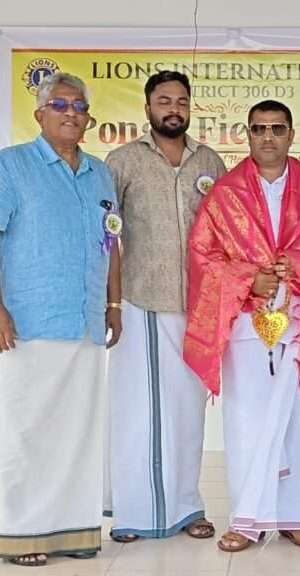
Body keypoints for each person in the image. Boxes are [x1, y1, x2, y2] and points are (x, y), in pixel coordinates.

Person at [0, 72, 121, 567]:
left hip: (85, 322)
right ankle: (15, 533)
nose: (71, 113)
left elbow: (112, 242)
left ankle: (71, 530)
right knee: (23, 431)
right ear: (39, 114)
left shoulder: (99, 174)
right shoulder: (10, 166)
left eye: (79, 106)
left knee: (76, 434)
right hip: (26, 323)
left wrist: (113, 305)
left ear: (89, 118)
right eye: (60, 104)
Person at [183, 100, 300, 553]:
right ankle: (246, 520)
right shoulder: (225, 194)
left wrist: (298, 264)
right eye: (259, 129)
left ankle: (296, 518)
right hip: (244, 321)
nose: (268, 137)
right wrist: (247, 279)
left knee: (297, 418)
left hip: (296, 323)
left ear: (292, 135)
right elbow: (203, 256)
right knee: (246, 418)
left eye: (277, 128)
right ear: (248, 135)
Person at [104, 70, 227, 543]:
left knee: (187, 413)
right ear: (147, 108)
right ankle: (134, 512)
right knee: (139, 411)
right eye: (164, 101)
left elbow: (227, 232)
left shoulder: (209, 161)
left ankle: (186, 507)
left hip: (198, 307)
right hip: (142, 301)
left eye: (181, 101)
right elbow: (105, 238)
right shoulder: (123, 162)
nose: (173, 109)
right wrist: (112, 302)